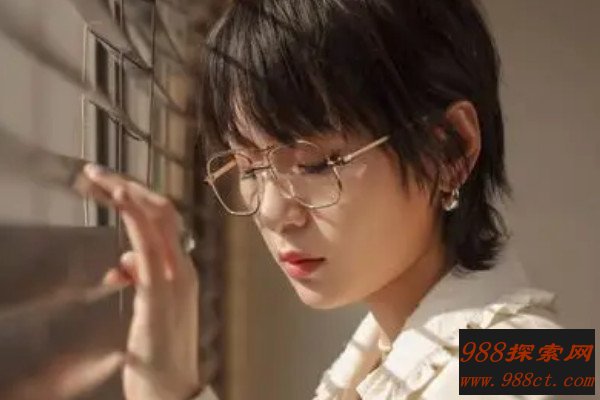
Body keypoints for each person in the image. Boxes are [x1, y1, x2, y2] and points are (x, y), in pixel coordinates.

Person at [87, 0, 561, 399]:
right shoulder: (390, 354)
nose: (272, 212)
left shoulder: (523, 362)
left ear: (449, 150)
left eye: (314, 163)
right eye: (249, 167)